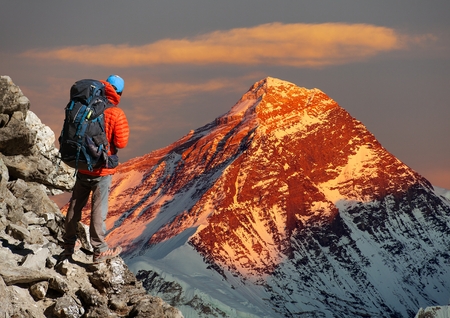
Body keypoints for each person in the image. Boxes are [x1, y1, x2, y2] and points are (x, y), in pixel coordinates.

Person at [63, 74, 129, 263]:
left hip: (82, 164)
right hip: (102, 170)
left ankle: (68, 245)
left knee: (75, 206)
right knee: (98, 211)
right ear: (119, 93)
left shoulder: (84, 107)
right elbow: (121, 142)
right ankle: (99, 250)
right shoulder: (116, 113)